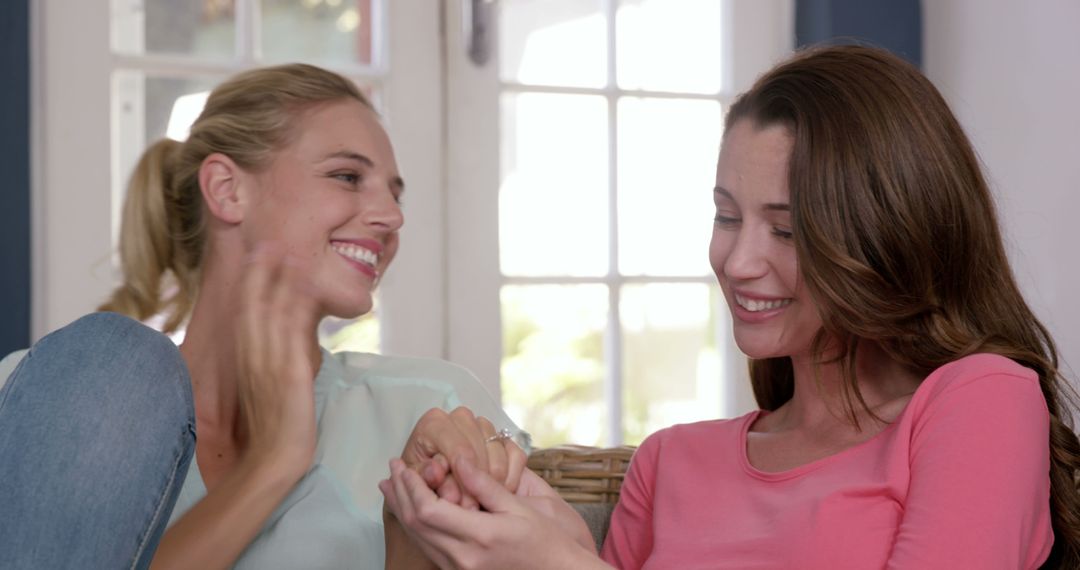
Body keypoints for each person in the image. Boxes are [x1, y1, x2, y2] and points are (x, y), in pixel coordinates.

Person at [381, 45, 1080, 569]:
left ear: (889, 229)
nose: (738, 261)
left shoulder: (980, 400)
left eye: (786, 228)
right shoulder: (671, 464)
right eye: (725, 216)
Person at [0, 63, 526, 569]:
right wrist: (273, 463)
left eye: (393, 191)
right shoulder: (46, 394)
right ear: (228, 189)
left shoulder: (433, 404)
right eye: (347, 176)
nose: (393, 216)